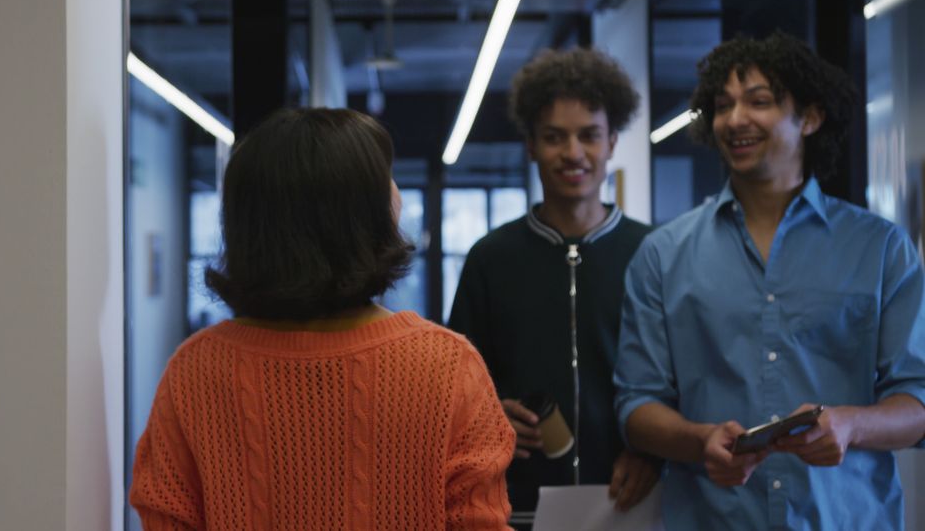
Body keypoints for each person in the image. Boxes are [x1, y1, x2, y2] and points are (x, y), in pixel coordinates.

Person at [129, 108, 515, 530]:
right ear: (357, 216)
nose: (399, 194)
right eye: (386, 178)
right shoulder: (447, 367)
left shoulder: (195, 371)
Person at [614, 31, 925, 529]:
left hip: (846, 519)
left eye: (758, 101)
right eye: (722, 105)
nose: (735, 120)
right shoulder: (662, 255)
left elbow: (919, 400)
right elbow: (636, 405)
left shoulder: (881, 249)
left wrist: (851, 424)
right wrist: (700, 440)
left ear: (810, 117)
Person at [448, 47, 660, 527]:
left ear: (612, 142)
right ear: (531, 145)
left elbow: (684, 380)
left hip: (632, 503)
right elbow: (456, 385)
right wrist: (488, 414)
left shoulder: (655, 252)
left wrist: (657, 452)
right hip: (517, 507)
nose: (573, 153)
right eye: (553, 137)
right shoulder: (490, 258)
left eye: (589, 135)